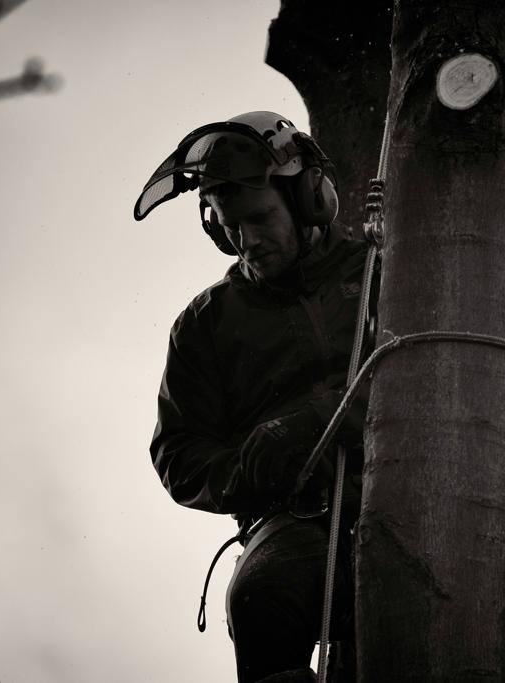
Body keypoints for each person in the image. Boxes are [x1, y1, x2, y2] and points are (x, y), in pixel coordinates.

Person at [134, 111, 371, 683]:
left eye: (262, 217)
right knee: (261, 597)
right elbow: (179, 453)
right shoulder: (205, 326)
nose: (248, 240)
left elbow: (420, 363)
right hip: (292, 519)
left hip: (402, 489)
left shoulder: (380, 270)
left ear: (309, 198)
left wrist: (323, 416)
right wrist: (252, 465)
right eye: (230, 226)